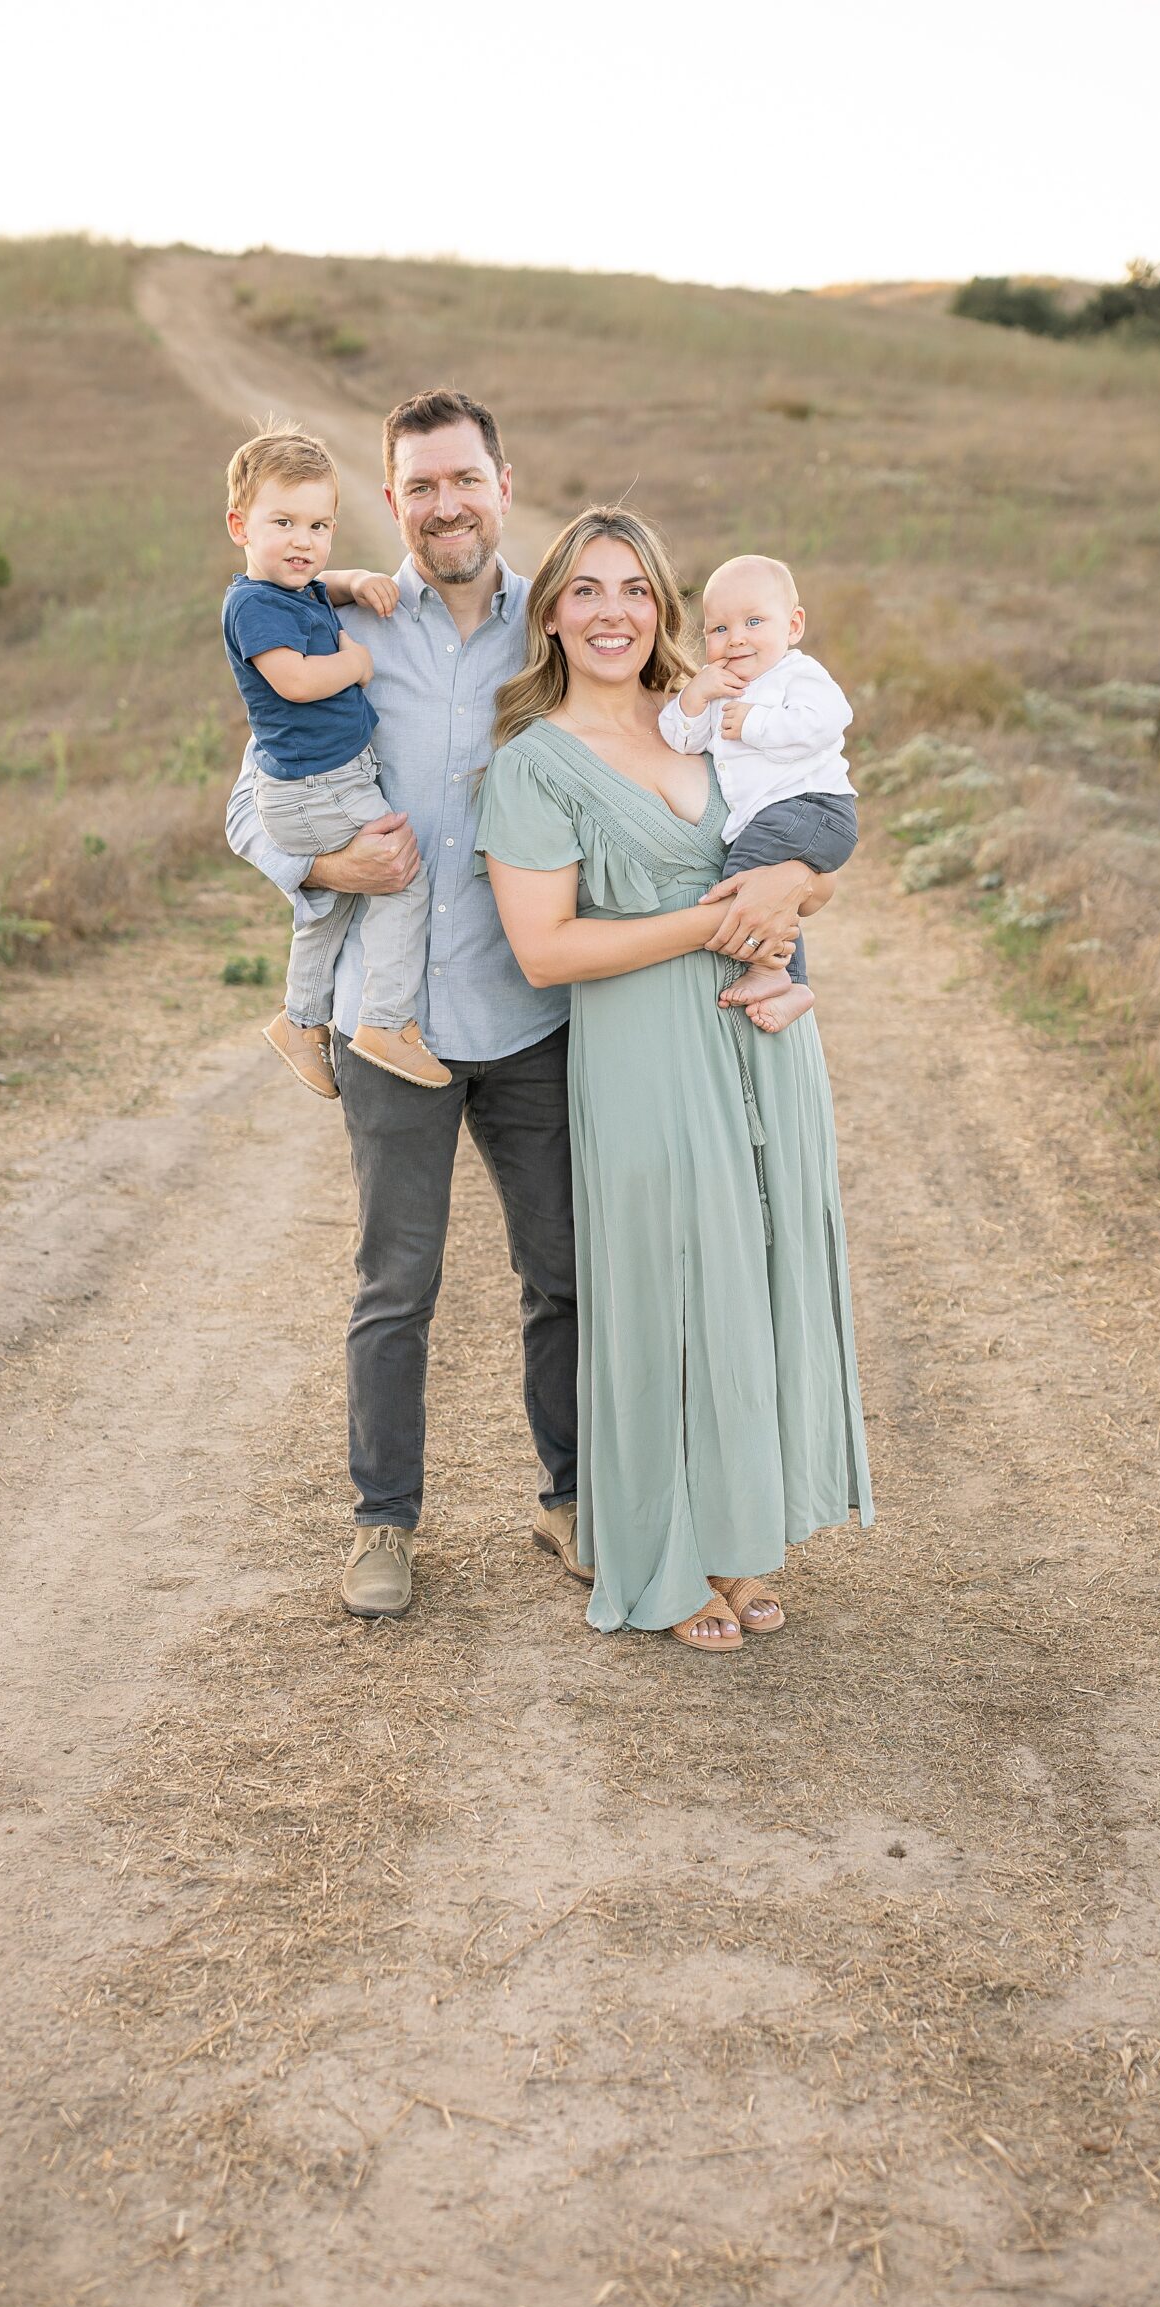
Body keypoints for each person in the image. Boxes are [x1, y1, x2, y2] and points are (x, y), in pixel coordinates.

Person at [475, 509, 873, 1653]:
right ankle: (661, 1553)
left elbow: (813, 871)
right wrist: (709, 922)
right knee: (671, 1295)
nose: (613, 613)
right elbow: (547, 951)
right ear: (551, 611)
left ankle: (744, 1542)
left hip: (764, 1042)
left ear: (664, 607)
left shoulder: (708, 714)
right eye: (587, 591)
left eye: (636, 590)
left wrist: (790, 880)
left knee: (756, 1279)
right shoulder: (533, 761)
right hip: (645, 1050)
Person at [224, 390, 586, 1622]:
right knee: (396, 1285)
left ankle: (574, 1499)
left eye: (465, 480)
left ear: (501, 481)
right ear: (394, 502)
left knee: (566, 1272)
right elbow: (251, 799)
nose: (445, 505)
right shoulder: (339, 618)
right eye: (420, 486)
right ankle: (384, 1524)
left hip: (530, 1011)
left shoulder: (558, 626)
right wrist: (324, 868)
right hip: (395, 1028)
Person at [221, 425, 447, 1094]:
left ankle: (299, 1020)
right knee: (401, 881)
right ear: (240, 525)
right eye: (283, 522)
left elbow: (324, 584)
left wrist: (355, 581)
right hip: (321, 788)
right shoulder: (252, 606)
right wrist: (353, 663)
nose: (304, 541)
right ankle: (386, 1022)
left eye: (319, 525)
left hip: (314, 789)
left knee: (333, 905)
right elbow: (292, 680)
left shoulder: (295, 590)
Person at [658, 553, 857, 1035]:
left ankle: (770, 969)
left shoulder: (797, 674)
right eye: (719, 629)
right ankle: (793, 983)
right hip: (781, 819)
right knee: (761, 885)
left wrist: (757, 724)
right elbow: (682, 740)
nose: (736, 638)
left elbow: (829, 720)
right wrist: (695, 697)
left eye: (753, 622)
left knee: (743, 881)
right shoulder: (722, 687)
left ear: (793, 625)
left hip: (815, 808)